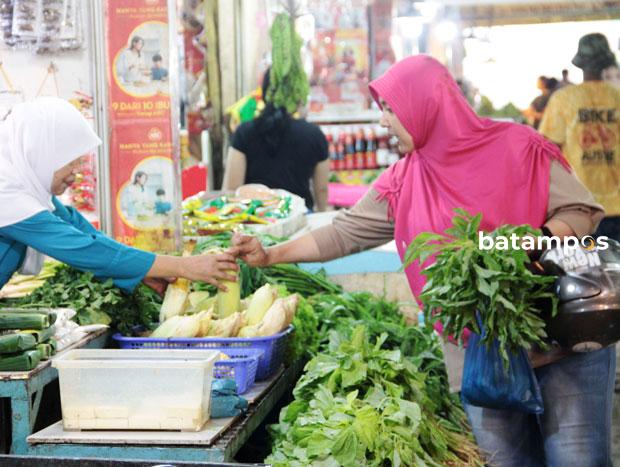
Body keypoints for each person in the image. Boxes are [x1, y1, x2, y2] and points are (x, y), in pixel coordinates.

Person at [230, 55, 613, 466]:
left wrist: (526, 243)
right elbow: (342, 233)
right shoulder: (404, 180)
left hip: (559, 337)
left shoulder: (518, 147)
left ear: (426, 104)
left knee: (578, 460)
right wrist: (270, 255)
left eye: (391, 108)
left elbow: (582, 211)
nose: (383, 122)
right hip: (479, 356)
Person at [0, 97, 238, 317]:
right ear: (40, 152)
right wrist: (182, 266)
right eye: (68, 164)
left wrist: (143, 273)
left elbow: (78, 228)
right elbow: (82, 249)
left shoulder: (20, 184)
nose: (73, 175)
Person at [540, 33, 620, 241]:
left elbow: (547, 150)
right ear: (606, 63)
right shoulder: (617, 97)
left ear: (580, 64)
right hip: (618, 205)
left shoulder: (564, 99)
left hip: (581, 210)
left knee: (585, 272)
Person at [222, 70, 329, 212]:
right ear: (297, 95)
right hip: (299, 217)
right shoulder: (314, 134)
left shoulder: (244, 132)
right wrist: (321, 212)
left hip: (256, 220)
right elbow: (321, 189)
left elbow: (232, 188)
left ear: (264, 92)